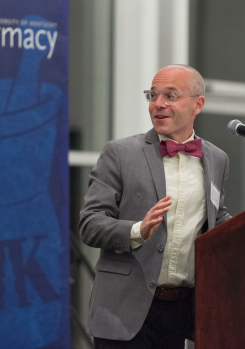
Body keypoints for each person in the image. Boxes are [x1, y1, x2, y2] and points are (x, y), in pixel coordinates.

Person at [79, 64, 232, 348]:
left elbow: (215, 217)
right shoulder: (120, 153)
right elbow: (90, 223)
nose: (158, 104)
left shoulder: (216, 159)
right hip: (123, 309)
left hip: (180, 311)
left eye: (171, 96)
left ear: (198, 104)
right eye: (153, 95)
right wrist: (137, 230)